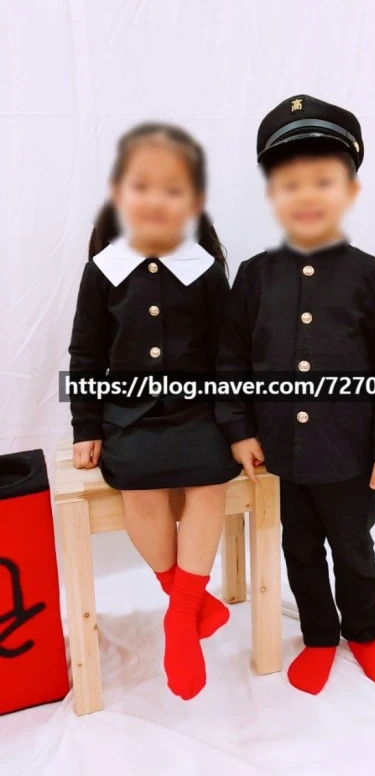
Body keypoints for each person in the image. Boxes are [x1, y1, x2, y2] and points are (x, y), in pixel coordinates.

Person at [216, 94, 375, 695]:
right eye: (289, 184)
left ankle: (365, 632)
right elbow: (231, 363)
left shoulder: (374, 277)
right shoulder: (253, 276)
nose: (306, 195)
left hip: (349, 455)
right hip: (280, 454)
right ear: (272, 195)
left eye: (323, 181)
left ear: (350, 191)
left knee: (353, 550)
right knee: (300, 551)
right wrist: (239, 430)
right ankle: (320, 637)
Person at [68, 122, 241, 700]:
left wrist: (235, 425)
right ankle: (190, 604)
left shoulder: (204, 270)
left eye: (173, 190)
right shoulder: (103, 271)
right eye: (142, 187)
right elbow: (86, 355)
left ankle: (179, 617)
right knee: (138, 484)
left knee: (209, 482)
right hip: (128, 414)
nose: (156, 201)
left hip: (200, 411)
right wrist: (86, 426)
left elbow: (228, 354)